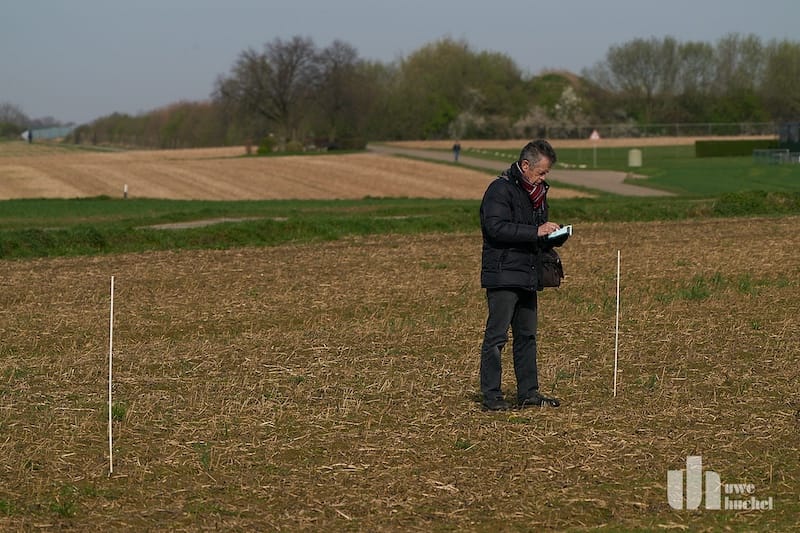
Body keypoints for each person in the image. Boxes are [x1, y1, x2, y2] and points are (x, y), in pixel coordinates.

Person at [478, 139, 562, 411]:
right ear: (525, 165)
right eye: (541, 172)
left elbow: (533, 231)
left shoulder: (537, 193)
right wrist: (535, 232)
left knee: (527, 337)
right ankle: (492, 397)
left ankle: (529, 394)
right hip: (503, 275)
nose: (544, 178)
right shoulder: (499, 190)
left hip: (528, 273)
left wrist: (552, 236)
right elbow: (495, 228)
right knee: (496, 338)